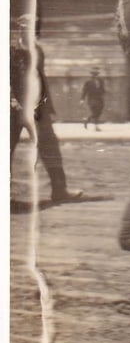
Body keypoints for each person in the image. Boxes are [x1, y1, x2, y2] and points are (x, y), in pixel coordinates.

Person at [10, 13, 83, 203]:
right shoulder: (10, 50)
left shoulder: (38, 50)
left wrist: (47, 105)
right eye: (26, 27)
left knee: (50, 147)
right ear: (20, 28)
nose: (30, 31)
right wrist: (11, 100)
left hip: (37, 109)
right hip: (13, 109)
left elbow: (40, 79)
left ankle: (60, 191)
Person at [81, 67, 107, 131]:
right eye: (94, 74)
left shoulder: (101, 81)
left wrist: (103, 92)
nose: (95, 75)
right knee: (95, 112)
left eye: (96, 74)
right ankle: (94, 126)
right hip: (92, 99)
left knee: (99, 113)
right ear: (92, 74)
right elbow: (85, 90)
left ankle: (88, 121)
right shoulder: (88, 82)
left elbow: (103, 89)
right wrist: (82, 99)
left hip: (100, 99)